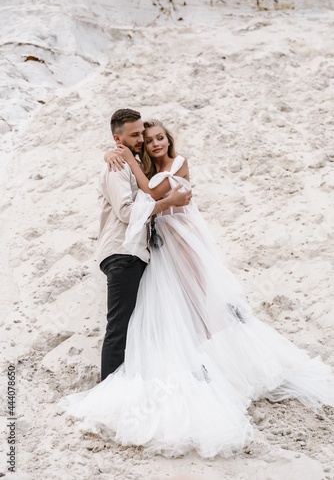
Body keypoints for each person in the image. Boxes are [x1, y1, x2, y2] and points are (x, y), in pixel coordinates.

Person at [59, 119, 334, 459]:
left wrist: (128, 160)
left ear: (168, 139)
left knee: (198, 304)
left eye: (160, 137)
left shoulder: (177, 163)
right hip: (157, 247)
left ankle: (210, 367)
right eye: (148, 140)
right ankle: (173, 370)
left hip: (182, 240)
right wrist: (116, 155)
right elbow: (142, 191)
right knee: (164, 309)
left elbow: (153, 193)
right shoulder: (140, 166)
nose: (155, 143)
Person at [97, 110, 192, 381]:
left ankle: (128, 384)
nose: (142, 140)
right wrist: (167, 203)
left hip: (136, 252)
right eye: (135, 135)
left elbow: (148, 187)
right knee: (119, 327)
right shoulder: (116, 166)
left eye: (143, 134)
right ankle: (109, 390)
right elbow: (127, 212)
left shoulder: (132, 165)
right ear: (118, 138)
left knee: (135, 324)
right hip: (122, 252)